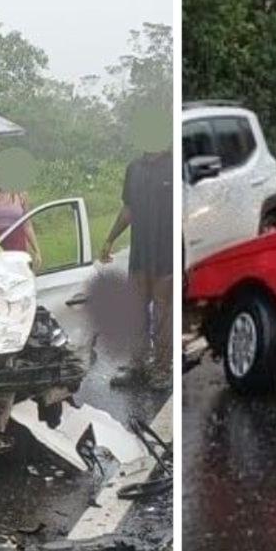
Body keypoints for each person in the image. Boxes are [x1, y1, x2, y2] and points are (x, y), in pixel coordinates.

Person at [101, 146, 173, 391]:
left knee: (164, 316)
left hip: (167, 256)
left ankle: (163, 369)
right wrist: (110, 239)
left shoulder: (175, 166)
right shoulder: (134, 168)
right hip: (140, 255)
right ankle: (137, 365)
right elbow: (128, 209)